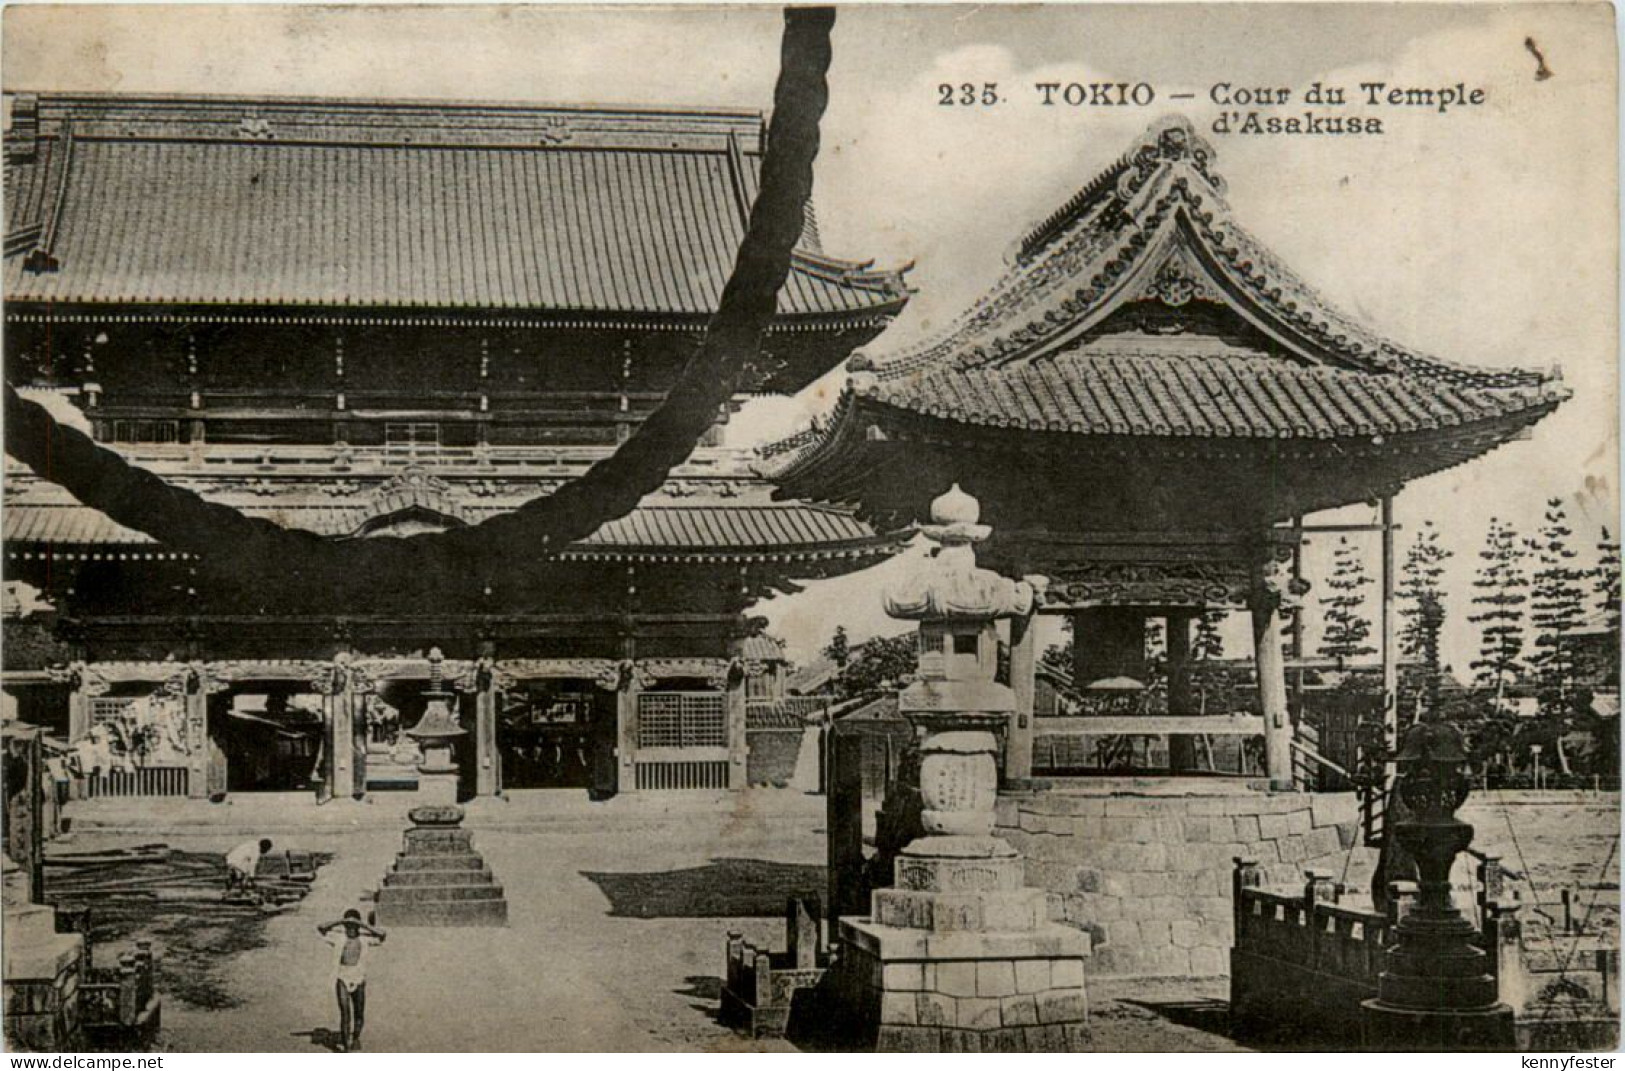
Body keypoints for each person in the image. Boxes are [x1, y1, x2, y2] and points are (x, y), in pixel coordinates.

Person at [317, 909, 386, 1052]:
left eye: (353, 926)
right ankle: (346, 1049)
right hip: (342, 977)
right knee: (345, 1013)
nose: (350, 929)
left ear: (358, 926)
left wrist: (362, 924)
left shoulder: (366, 939)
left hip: (359, 978)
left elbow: (382, 935)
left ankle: (355, 1038)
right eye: (348, 926)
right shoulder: (338, 938)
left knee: (359, 1013)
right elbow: (321, 928)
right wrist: (341, 921)